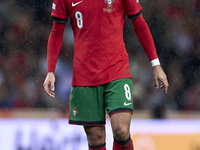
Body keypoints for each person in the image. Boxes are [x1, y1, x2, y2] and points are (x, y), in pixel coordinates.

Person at [43, 0, 169, 149]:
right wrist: (50, 70)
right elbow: (57, 31)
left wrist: (156, 64)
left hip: (117, 70)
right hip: (84, 76)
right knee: (96, 138)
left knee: (121, 130)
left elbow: (139, 23)